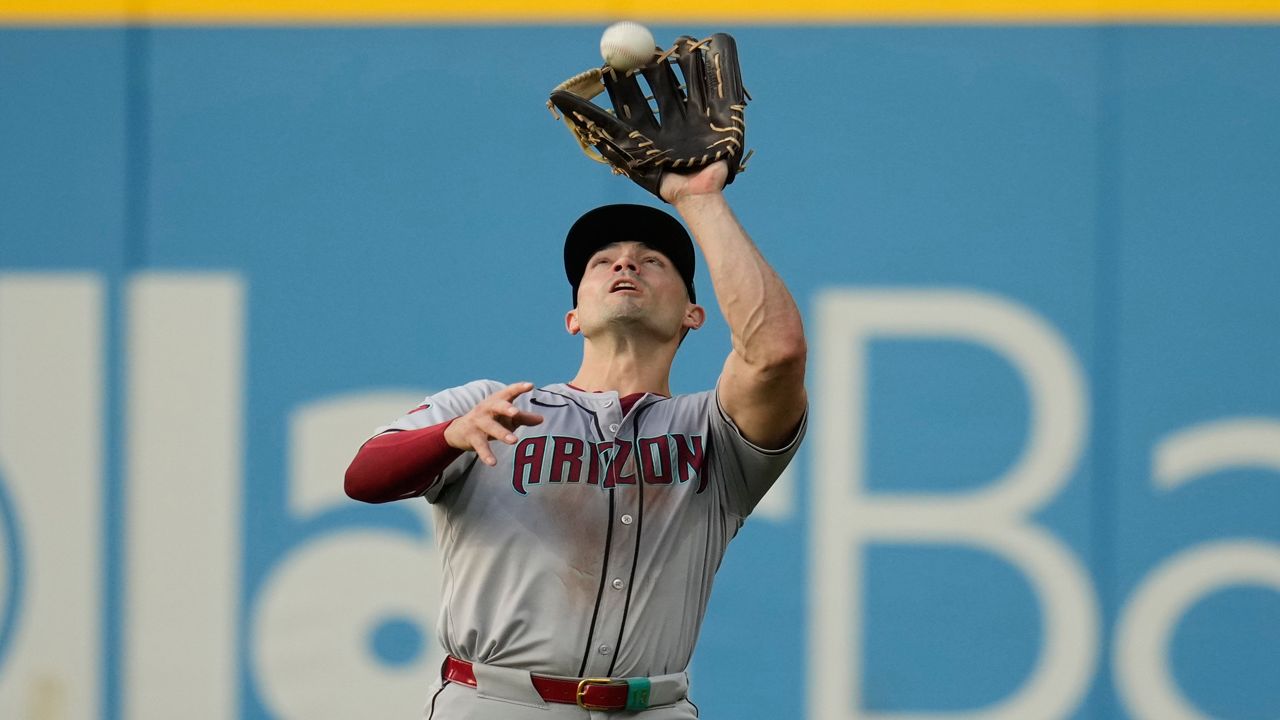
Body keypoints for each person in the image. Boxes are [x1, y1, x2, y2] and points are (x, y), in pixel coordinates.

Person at [344, 161, 807, 719]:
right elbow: (363, 477)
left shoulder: (715, 433)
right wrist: (450, 436)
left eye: (652, 260)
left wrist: (699, 200)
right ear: (573, 317)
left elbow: (776, 353)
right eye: (602, 262)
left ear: (693, 313)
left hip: (653, 708)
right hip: (496, 702)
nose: (625, 263)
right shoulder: (495, 407)